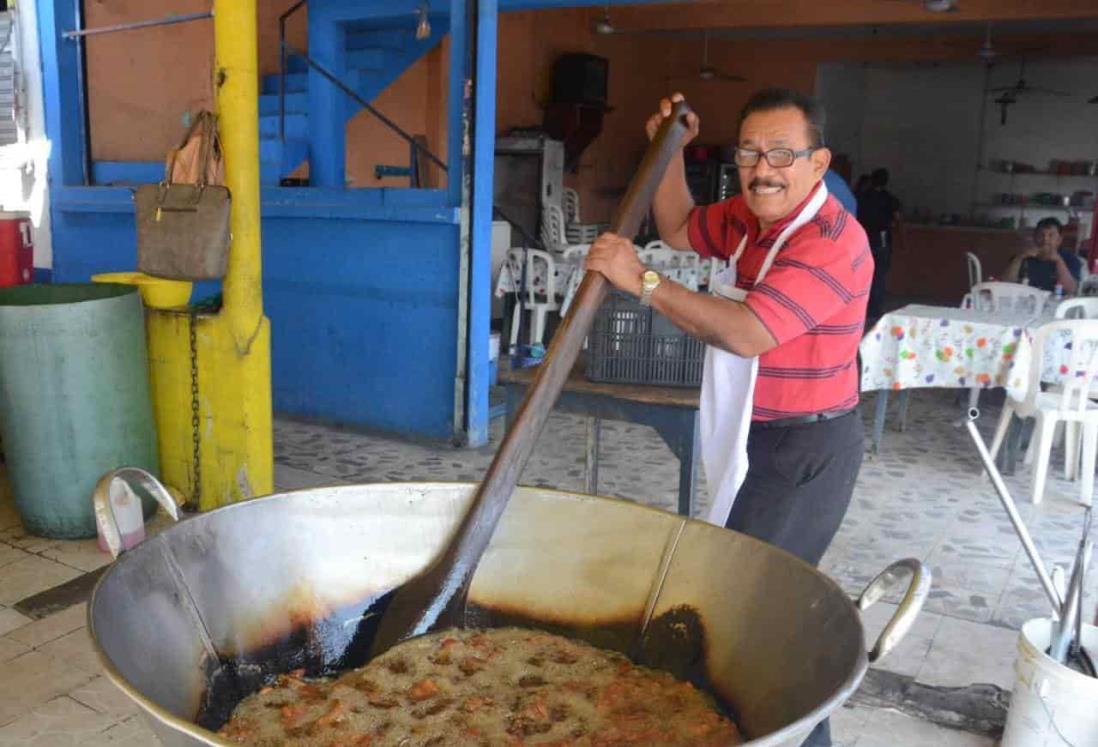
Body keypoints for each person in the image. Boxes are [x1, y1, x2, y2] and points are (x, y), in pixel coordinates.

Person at [585, 88, 872, 747]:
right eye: (750, 151)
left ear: (818, 161)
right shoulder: (748, 217)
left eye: (782, 152)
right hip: (752, 432)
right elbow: (681, 225)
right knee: (758, 618)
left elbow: (747, 332)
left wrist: (645, 283)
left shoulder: (833, 241)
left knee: (753, 617)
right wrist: (673, 155)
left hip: (807, 451)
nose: (763, 168)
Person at [856, 168, 901, 321]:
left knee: (861, 276)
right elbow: (897, 219)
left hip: (862, 240)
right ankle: (875, 313)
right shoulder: (889, 199)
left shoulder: (861, 197)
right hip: (881, 240)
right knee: (879, 277)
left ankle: (862, 311)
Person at [1003, 217, 1080, 293]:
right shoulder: (1023, 255)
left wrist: (1059, 261)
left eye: (1051, 235)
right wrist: (1019, 258)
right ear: (1035, 237)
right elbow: (1005, 283)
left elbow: (1071, 289)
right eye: (1041, 235)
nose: (1045, 239)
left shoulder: (1070, 259)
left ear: (1059, 240)